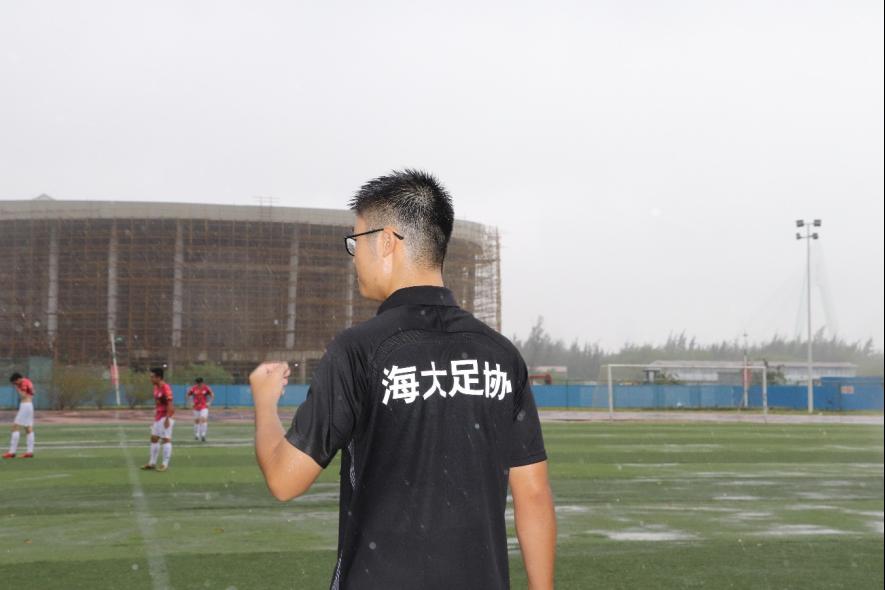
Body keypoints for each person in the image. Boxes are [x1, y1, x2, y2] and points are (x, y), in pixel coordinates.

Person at [251, 170, 556, 590]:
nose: (354, 256)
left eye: (356, 242)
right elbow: (533, 494)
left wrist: (264, 403)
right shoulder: (501, 356)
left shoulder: (359, 350)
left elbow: (284, 479)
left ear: (385, 242)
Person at [141, 367, 174, 472]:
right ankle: (152, 463)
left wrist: (168, 418)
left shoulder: (166, 388)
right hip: (159, 416)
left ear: (159, 377)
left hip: (165, 416)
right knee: (154, 438)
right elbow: (159, 403)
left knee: (166, 439)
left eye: (152, 377)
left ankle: (164, 464)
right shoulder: (156, 387)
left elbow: (170, 404)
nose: (150, 379)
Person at [3, 372, 36, 459]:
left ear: (18, 379)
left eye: (15, 383)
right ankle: (29, 452)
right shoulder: (28, 381)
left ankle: (12, 452)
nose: (15, 384)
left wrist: (18, 388)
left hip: (25, 406)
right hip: (30, 405)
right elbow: (33, 392)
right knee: (28, 428)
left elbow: (23, 396)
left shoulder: (23, 382)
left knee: (15, 427)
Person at [186, 377, 213, 442]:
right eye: (197, 383)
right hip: (196, 407)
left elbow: (212, 395)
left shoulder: (206, 388)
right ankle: (197, 435)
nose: (199, 384)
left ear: (202, 382)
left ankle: (203, 435)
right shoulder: (193, 388)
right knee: (197, 420)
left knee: (203, 419)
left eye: (200, 383)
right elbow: (187, 395)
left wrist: (209, 402)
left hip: (204, 406)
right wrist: (190, 402)